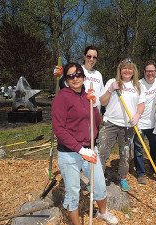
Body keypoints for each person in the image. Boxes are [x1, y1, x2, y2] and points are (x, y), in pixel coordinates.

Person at [52, 62, 118, 225]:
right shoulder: (61, 97)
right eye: (71, 76)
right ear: (66, 79)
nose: (75, 78)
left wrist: (94, 105)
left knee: (100, 186)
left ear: (83, 76)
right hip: (69, 153)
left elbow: (97, 123)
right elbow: (59, 130)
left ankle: (102, 213)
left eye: (78, 74)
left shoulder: (86, 95)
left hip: (90, 149)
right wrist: (80, 149)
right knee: (72, 193)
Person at [98, 58, 145, 192]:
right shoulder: (112, 82)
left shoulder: (137, 86)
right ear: (120, 69)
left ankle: (123, 178)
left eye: (130, 68)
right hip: (111, 123)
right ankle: (98, 180)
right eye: (124, 68)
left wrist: (138, 115)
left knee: (126, 154)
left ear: (134, 71)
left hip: (128, 126)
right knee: (102, 151)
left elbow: (141, 104)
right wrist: (110, 90)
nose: (127, 70)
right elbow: (102, 101)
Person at [133, 60, 156, 184]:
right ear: (144, 72)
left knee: (155, 148)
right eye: (147, 71)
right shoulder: (138, 84)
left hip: (155, 122)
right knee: (139, 149)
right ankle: (141, 173)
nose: (150, 73)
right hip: (140, 122)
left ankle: (154, 168)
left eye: (152, 71)